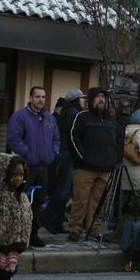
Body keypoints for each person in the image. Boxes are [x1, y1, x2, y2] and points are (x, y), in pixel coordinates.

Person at [7, 86, 59, 248]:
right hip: (26, 167)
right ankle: (18, 236)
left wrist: (53, 153)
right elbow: (14, 140)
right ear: (30, 98)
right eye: (37, 97)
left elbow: (56, 138)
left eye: (43, 97)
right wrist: (28, 155)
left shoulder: (50, 118)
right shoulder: (19, 117)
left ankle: (33, 235)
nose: (41, 100)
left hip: (44, 167)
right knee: (21, 202)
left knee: (38, 203)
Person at [68, 87, 120, 241]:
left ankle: (94, 230)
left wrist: (113, 160)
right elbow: (73, 137)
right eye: (97, 96)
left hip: (105, 169)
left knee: (98, 203)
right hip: (85, 169)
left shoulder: (111, 120)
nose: (101, 99)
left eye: (103, 96)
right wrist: (84, 157)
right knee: (80, 200)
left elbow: (117, 142)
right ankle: (75, 229)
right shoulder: (82, 116)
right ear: (91, 99)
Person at [44, 89, 86, 233]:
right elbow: (74, 135)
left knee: (62, 189)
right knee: (63, 190)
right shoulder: (74, 113)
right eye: (81, 98)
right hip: (67, 154)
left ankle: (55, 222)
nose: (83, 101)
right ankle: (51, 220)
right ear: (76, 99)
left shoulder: (66, 112)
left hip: (63, 153)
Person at [120, 109, 140, 197]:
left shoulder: (123, 131)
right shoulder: (139, 132)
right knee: (139, 200)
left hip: (124, 172)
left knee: (123, 200)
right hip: (137, 173)